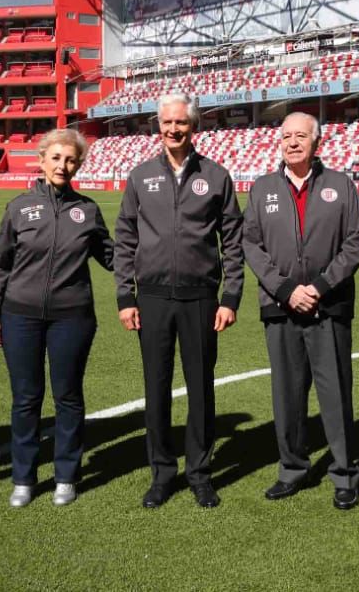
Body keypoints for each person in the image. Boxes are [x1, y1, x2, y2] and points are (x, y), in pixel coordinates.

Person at [113, 92, 245, 509]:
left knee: (201, 388)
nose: (174, 129)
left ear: (193, 127)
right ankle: (162, 474)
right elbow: (125, 238)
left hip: (201, 299)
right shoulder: (140, 176)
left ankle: (200, 474)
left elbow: (234, 241)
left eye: (181, 123)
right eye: (167, 122)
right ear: (159, 126)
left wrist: (231, 296)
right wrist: (125, 296)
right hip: (151, 299)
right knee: (156, 389)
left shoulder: (217, 176)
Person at [242, 112, 359, 510]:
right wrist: (285, 290)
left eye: (301, 136)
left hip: (328, 308)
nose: (293, 142)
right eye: (286, 136)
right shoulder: (262, 188)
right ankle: (292, 469)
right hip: (280, 309)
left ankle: (345, 474)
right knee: (287, 396)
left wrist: (319, 287)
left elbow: (357, 239)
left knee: (335, 394)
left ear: (318, 142)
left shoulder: (340, 185)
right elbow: (251, 244)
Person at [0, 129, 113, 508]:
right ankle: (23, 478)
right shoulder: (19, 208)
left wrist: (153, 256)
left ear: (79, 165)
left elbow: (111, 256)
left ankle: (66, 475)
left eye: (70, 159)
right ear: (41, 161)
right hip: (19, 316)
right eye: (56, 158)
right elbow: (1, 265)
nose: (62, 165)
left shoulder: (88, 210)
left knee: (68, 396)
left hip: (72, 318)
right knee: (26, 399)